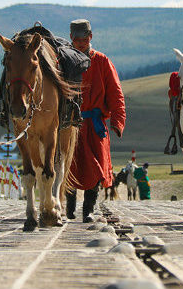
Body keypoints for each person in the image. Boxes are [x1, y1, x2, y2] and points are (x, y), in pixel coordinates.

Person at [66, 19, 126, 222]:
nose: (81, 43)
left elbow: (115, 93)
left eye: (84, 39)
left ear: (90, 37)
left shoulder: (101, 61)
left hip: (95, 125)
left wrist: (118, 120)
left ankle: (88, 210)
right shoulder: (64, 61)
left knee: (96, 167)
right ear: (71, 38)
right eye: (77, 39)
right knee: (69, 166)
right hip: (70, 123)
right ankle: (69, 209)